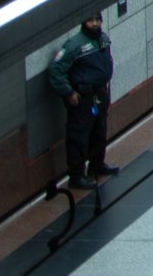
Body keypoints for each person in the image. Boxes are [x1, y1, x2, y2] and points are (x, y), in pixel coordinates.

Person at [49, 13, 118, 190]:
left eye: (97, 20)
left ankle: (97, 164)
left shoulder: (103, 39)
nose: (95, 24)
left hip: (100, 93)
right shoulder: (74, 45)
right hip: (82, 97)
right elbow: (56, 71)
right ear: (83, 22)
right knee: (78, 136)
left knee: (99, 130)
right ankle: (77, 176)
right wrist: (68, 92)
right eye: (90, 20)